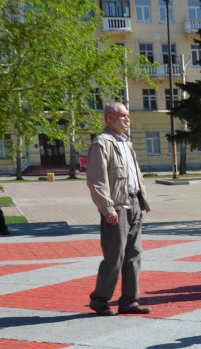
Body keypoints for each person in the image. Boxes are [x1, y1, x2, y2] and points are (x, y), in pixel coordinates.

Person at [85, 102, 152, 316]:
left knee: (134, 254)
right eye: (123, 115)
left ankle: (129, 302)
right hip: (117, 207)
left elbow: (134, 176)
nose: (127, 119)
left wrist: (142, 201)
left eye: (128, 115)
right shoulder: (101, 143)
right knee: (115, 256)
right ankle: (99, 300)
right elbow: (97, 180)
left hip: (134, 203)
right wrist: (107, 208)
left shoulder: (126, 143)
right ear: (110, 118)